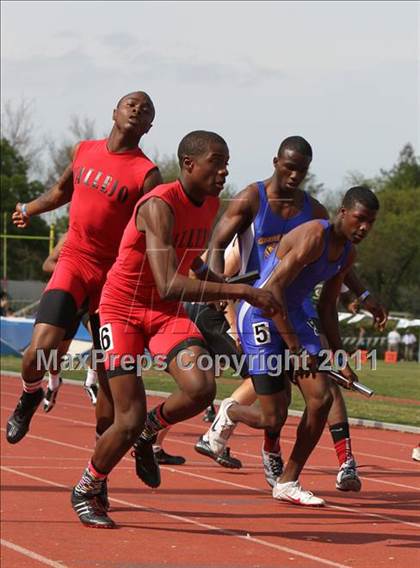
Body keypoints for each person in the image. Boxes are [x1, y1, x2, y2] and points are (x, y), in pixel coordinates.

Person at [70, 130, 280, 529]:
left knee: (201, 388)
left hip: (163, 313)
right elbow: (168, 280)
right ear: (189, 164)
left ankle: (152, 430)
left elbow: (190, 261)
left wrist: (213, 278)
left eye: (226, 162)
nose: (224, 170)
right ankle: (87, 487)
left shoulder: (211, 204)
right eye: (216, 162)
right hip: (123, 310)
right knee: (125, 419)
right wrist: (239, 289)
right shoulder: (158, 205)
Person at [198, 137, 387, 493]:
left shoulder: (318, 216)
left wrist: (342, 344)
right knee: (275, 406)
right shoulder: (253, 199)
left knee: (322, 394)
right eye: (290, 167)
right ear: (275, 162)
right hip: (256, 303)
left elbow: (332, 288)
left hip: (294, 307)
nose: (296, 175)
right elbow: (218, 244)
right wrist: (218, 288)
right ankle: (235, 416)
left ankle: (289, 478)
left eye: (303, 170)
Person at [6, 91, 162, 447]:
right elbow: (62, 191)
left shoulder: (147, 174)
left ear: (149, 126)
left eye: (146, 109)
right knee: (37, 352)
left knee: (109, 376)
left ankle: (99, 467)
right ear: (114, 112)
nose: (137, 109)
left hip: (113, 278)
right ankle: (31, 393)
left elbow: (156, 232)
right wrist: (29, 208)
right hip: (75, 260)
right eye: (131, 104)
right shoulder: (84, 151)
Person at [41, 231, 99, 412]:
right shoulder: (69, 236)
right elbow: (47, 264)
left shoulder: (108, 236)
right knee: (56, 352)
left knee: (101, 341)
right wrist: (73, 270)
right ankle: (53, 382)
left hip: (91, 301)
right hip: (70, 298)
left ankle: (90, 381)